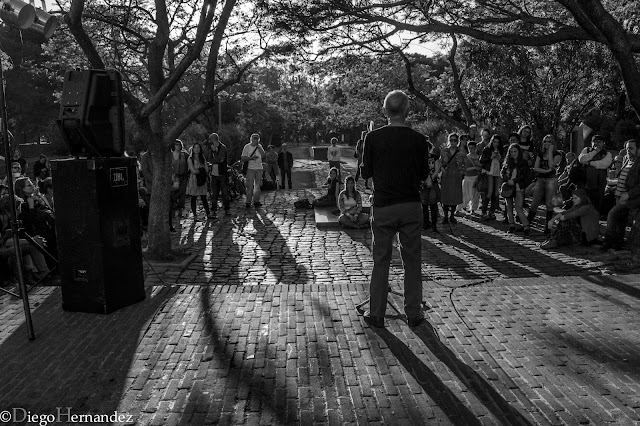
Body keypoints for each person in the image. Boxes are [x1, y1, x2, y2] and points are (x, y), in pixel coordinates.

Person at [360, 90, 429, 328]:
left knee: (381, 260)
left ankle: (376, 313)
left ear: (384, 111)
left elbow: (365, 173)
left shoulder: (373, 138)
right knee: (412, 260)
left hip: (384, 206)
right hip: (410, 205)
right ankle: (414, 313)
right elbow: (424, 174)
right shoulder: (419, 140)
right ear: (407, 111)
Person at [600, 139, 640, 251]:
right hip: (618, 194)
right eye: (627, 148)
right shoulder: (626, 159)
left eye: (631, 148)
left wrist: (629, 194)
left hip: (628, 197)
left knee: (611, 215)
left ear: (638, 149)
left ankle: (608, 241)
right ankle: (618, 242)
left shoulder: (638, 163)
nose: (628, 151)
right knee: (620, 220)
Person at [527, 134, 563, 234]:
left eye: (549, 142)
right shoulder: (540, 153)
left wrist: (550, 152)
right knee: (534, 202)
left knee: (549, 204)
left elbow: (552, 165)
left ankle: (548, 227)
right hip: (540, 179)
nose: (547, 143)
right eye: (545, 141)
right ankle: (527, 224)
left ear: (553, 143)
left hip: (551, 179)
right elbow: (535, 168)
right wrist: (546, 171)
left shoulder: (557, 154)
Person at [578, 134, 613, 215]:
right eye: (594, 141)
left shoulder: (607, 154)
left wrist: (589, 163)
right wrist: (595, 152)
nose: (596, 144)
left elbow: (604, 164)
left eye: (599, 142)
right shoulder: (586, 150)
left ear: (603, 143)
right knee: (582, 202)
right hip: (584, 182)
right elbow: (582, 159)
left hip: (599, 183)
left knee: (596, 203)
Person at [501, 143, 531, 235]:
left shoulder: (523, 163)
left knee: (518, 207)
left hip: (519, 187)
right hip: (509, 187)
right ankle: (511, 226)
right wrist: (508, 180)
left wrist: (514, 181)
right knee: (509, 207)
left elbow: (524, 175)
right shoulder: (507, 162)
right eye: (511, 152)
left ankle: (526, 227)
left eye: (515, 151)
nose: (513, 153)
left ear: (519, 152)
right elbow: (502, 173)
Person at [440, 133, 465, 223]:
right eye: (451, 140)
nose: (453, 142)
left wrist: (461, 173)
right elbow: (440, 162)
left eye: (455, 140)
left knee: (454, 196)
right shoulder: (444, 151)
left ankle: (452, 215)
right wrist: (442, 169)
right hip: (446, 175)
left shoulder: (461, 152)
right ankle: (445, 215)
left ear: (457, 141)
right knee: (445, 196)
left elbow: (463, 165)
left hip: (456, 176)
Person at [186, 142, 213, 220]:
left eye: (198, 147)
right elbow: (193, 171)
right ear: (193, 149)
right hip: (194, 180)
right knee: (193, 198)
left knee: (204, 197)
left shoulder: (202, 158)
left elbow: (206, 169)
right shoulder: (190, 159)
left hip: (202, 179)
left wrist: (201, 171)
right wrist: (201, 170)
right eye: (195, 147)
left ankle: (208, 213)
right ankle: (195, 215)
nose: (196, 149)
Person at [480, 134, 504, 220]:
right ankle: (484, 212)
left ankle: (492, 212)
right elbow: (481, 160)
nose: (496, 144)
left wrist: (500, 158)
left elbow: (503, 161)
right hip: (489, 172)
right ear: (492, 141)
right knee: (489, 192)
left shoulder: (500, 150)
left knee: (496, 193)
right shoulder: (487, 149)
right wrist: (491, 157)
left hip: (497, 173)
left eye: (497, 142)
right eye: (494, 142)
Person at [208, 133, 231, 216]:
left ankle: (227, 209)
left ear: (214, 139)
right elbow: (209, 159)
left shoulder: (223, 148)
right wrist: (214, 159)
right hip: (214, 174)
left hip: (222, 174)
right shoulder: (211, 148)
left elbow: (220, 159)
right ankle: (213, 210)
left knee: (225, 193)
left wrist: (214, 152)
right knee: (214, 194)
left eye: (210, 140)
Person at [241, 133, 266, 208]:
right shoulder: (247, 147)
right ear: (251, 139)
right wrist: (251, 158)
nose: (256, 140)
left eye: (257, 139)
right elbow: (243, 158)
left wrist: (259, 148)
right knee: (249, 185)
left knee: (258, 186)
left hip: (259, 168)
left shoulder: (259, 146)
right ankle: (248, 201)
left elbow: (264, 155)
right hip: (250, 168)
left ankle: (256, 201)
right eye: (255, 138)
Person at [421, 148, 441, 232]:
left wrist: (430, 179)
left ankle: (434, 224)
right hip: (422, 183)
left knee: (433, 204)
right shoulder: (419, 157)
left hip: (433, 182)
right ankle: (426, 223)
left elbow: (437, 170)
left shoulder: (435, 157)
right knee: (424, 205)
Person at [461, 141, 482, 214]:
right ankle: (463, 206)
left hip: (476, 177)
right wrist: (474, 168)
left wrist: (478, 167)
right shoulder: (466, 157)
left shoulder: (479, 157)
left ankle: (473, 208)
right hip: (467, 177)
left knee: (475, 195)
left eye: (472, 148)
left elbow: (481, 168)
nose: (471, 149)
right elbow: (464, 169)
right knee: (466, 194)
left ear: (475, 148)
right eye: (469, 148)